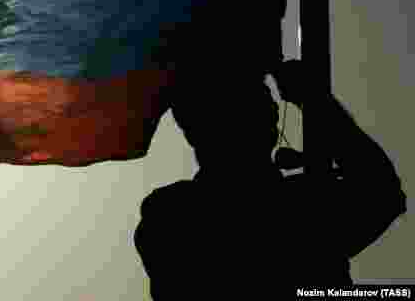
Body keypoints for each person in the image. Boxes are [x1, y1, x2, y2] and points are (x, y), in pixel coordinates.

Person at [134, 59, 406, 298]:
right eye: (256, 96)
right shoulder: (172, 215)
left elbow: (384, 194)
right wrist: (316, 102)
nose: (272, 105)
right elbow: (383, 190)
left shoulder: (169, 213)